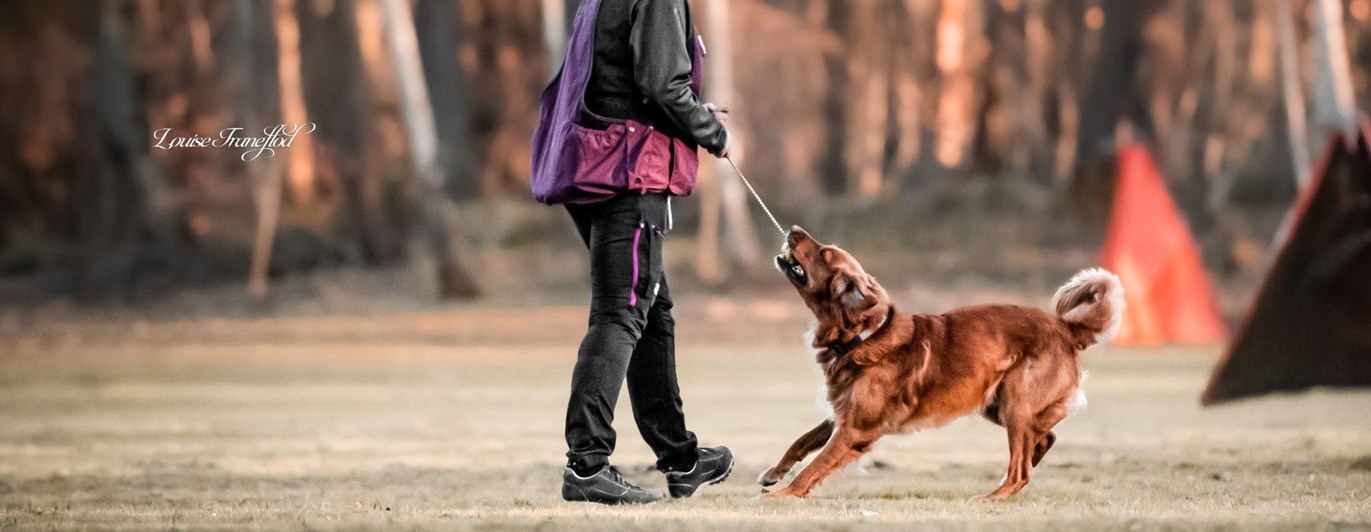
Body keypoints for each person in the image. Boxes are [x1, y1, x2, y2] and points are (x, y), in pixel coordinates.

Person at [528, 0, 736, 506]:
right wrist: (713, 132)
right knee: (621, 313)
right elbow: (662, 84)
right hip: (629, 173)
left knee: (651, 311)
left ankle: (681, 459)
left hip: (592, 164)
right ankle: (587, 465)